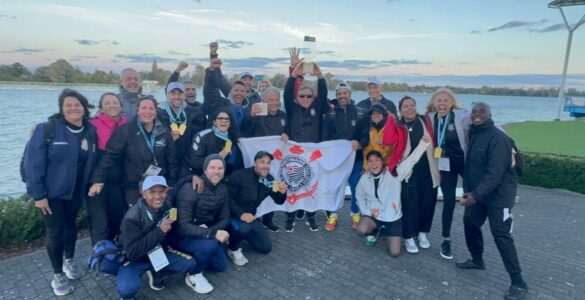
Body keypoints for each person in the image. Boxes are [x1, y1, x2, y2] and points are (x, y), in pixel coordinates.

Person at [24, 88, 97, 296]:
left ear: (84, 108)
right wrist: (38, 195)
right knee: (55, 233)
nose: (73, 108)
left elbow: (92, 160)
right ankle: (57, 274)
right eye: (68, 105)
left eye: (77, 105)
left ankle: (70, 260)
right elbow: (33, 165)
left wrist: (94, 182)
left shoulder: (89, 131)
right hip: (51, 195)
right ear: (62, 109)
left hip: (76, 192)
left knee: (70, 226)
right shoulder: (47, 130)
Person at [457, 102, 528, 300]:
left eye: (482, 112)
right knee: (470, 223)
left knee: (501, 234)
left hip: (500, 195)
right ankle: (477, 260)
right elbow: (471, 166)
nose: (477, 115)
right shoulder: (474, 133)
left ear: (490, 114)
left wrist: (474, 195)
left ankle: (518, 281)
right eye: (474, 112)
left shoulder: (499, 138)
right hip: (479, 192)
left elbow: (494, 173)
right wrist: (468, 191)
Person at [116, 176, 199, 299]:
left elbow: (176, 186)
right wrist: (159, 231)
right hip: (137, 260)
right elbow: (132, 253)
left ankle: (157, 274)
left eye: (161, 191)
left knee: (190, 264)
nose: (158, 196)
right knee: (126, 290)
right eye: (152, 192)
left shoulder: (167, 204)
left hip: (159, 253)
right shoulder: (131, 218)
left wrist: (192, 177)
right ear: (143, 194)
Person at [89, 95, 178, 206]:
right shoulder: (125, 131)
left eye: (151, 108)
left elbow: (172, 160)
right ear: (138, 111)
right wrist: (97, 179)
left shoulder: (164, 132)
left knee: (158, 217)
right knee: (136, 217)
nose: (147, 112)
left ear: (156, 111)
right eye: (144, 108)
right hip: (134, 185)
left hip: (157, 185)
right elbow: (109, 156)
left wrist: (171, 183)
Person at [356, 135, 430, 257]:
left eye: (377, 160)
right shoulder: (364, 178)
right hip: (374, 215)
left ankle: (386, 232)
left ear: (382, 162)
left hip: (392, 217)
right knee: (361, 230)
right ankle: (374, 231)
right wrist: (368, 212)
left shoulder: (394, 174)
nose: (374, 164)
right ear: (367, 164)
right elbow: (359, 196)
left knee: (395, 252)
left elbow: (411, 161)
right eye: (370, 161)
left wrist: (422, 145)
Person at [171, 154, 231, 294]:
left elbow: (225, 218)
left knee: (220, 266)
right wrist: (211, 234)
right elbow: (182, 226)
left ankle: (194, 255)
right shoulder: (190, 188)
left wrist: (208, 231)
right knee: (210, 244)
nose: (216, 171)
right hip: (181, 237)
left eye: (220, 168)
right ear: (205, 170)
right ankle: (193, 274)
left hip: (203, 233)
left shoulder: (223, 189)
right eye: (212, 167)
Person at [425, 87, 471, 260]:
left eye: (445, 100)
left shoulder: (462, 116)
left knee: (474, 196)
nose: (442, 103)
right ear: (434, 104)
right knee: (449, 201)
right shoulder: (430, 118)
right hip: (445, 165)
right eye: (439, 100)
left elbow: (489, 125)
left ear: (452, 103)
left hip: (465, 163)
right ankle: (446, 239)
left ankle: (502, 216)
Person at [283, 61, 328, 232]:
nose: (305, 99)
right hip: (294, 156)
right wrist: (293, 75)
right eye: (302, 96)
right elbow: (287, 94)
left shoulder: (318, 107)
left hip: (312, 155)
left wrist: (320, 76)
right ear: (297, 98)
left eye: (309, 96)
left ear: (313, 98)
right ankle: (290, 216)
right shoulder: (292, 108)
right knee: (292, 186)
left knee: (311, 186)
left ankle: (311, 215)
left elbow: (323, 93)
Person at [225, 151, 287, 265]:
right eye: (262, 162)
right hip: (231, 215)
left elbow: (279, 201)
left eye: (268, 163)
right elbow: (227, 198)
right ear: (255, 163)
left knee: (265, 247)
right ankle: (232, 249)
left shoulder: (269, 180)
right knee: (243, 228)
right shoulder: (239, 175)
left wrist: (283, 192)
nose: (265, 166)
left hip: (250, 217)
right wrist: (241, 214)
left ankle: (237, 235)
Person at [240, 87, 289, 232]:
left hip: (274, 161)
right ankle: (257, 218)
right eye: (270, 100)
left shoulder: (283, 115)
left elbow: (288, 133)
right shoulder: (258, 111)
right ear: (264, 100)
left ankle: (269, 219)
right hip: (258, 159)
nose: (274, 103)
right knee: (256, 189)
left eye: (276, 99)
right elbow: (245, 130)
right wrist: (250, 115)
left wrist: (287, 134)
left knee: (272, 186)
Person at [396, 96, 440, 253]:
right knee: (409, 204)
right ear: (400, 110)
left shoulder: (425, 121)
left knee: (428, 203)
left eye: (412, 105)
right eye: (405, 106)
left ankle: (422, 233)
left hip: (428, 169)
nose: (409, 108)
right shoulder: (397, 126)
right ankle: (408, 236)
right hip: (408, 172)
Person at [321, 82, 364, 231]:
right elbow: (325, 138)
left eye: (345, 93)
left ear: (350, 94)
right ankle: (333, 214)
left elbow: (365, 135)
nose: (342, 96)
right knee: (335, 187)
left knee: (355, 187)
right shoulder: (331, 114)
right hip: (337, 161)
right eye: (339, 93)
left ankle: (356, 213)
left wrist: (360, 144)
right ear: (336, 95)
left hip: (356, 159)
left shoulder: (360, 113)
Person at [87, 93, 128, 245]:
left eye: (115, 102)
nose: (112, 105)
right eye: (107, 103)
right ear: (101, 108)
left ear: (121, 105)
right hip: (97, 179)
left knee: (116, 218)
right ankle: (100, 258)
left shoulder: (126, 123)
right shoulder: (92, 124)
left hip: (118, 180)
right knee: (100, 223)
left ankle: (112, 253)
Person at [157, 82, 204, 176]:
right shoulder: (158, 113)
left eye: (180, 93)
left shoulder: (190, 112)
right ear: (166, 95)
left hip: (184, 164)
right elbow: (154, 140)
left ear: (184, 96)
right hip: (164, 162)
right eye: (173, 93)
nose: (177, 96)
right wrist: (168, 139)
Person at [188, 109, 242, 176]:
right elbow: (194, 162)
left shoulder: (231, 137)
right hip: (199, 174)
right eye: (220, 118)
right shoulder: (202, 136)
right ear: (214, 122)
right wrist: (218, 157)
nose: (224, 121)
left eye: (227, 119)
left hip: (220, 175)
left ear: (230, 123)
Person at [202, 58, 248, 127]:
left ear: (245, 94)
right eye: (236, 90)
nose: (239, 93)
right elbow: (210, 92)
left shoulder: (248, 109)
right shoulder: (220, 104)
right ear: (231, 91)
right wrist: (211, 71)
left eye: (242, 91)